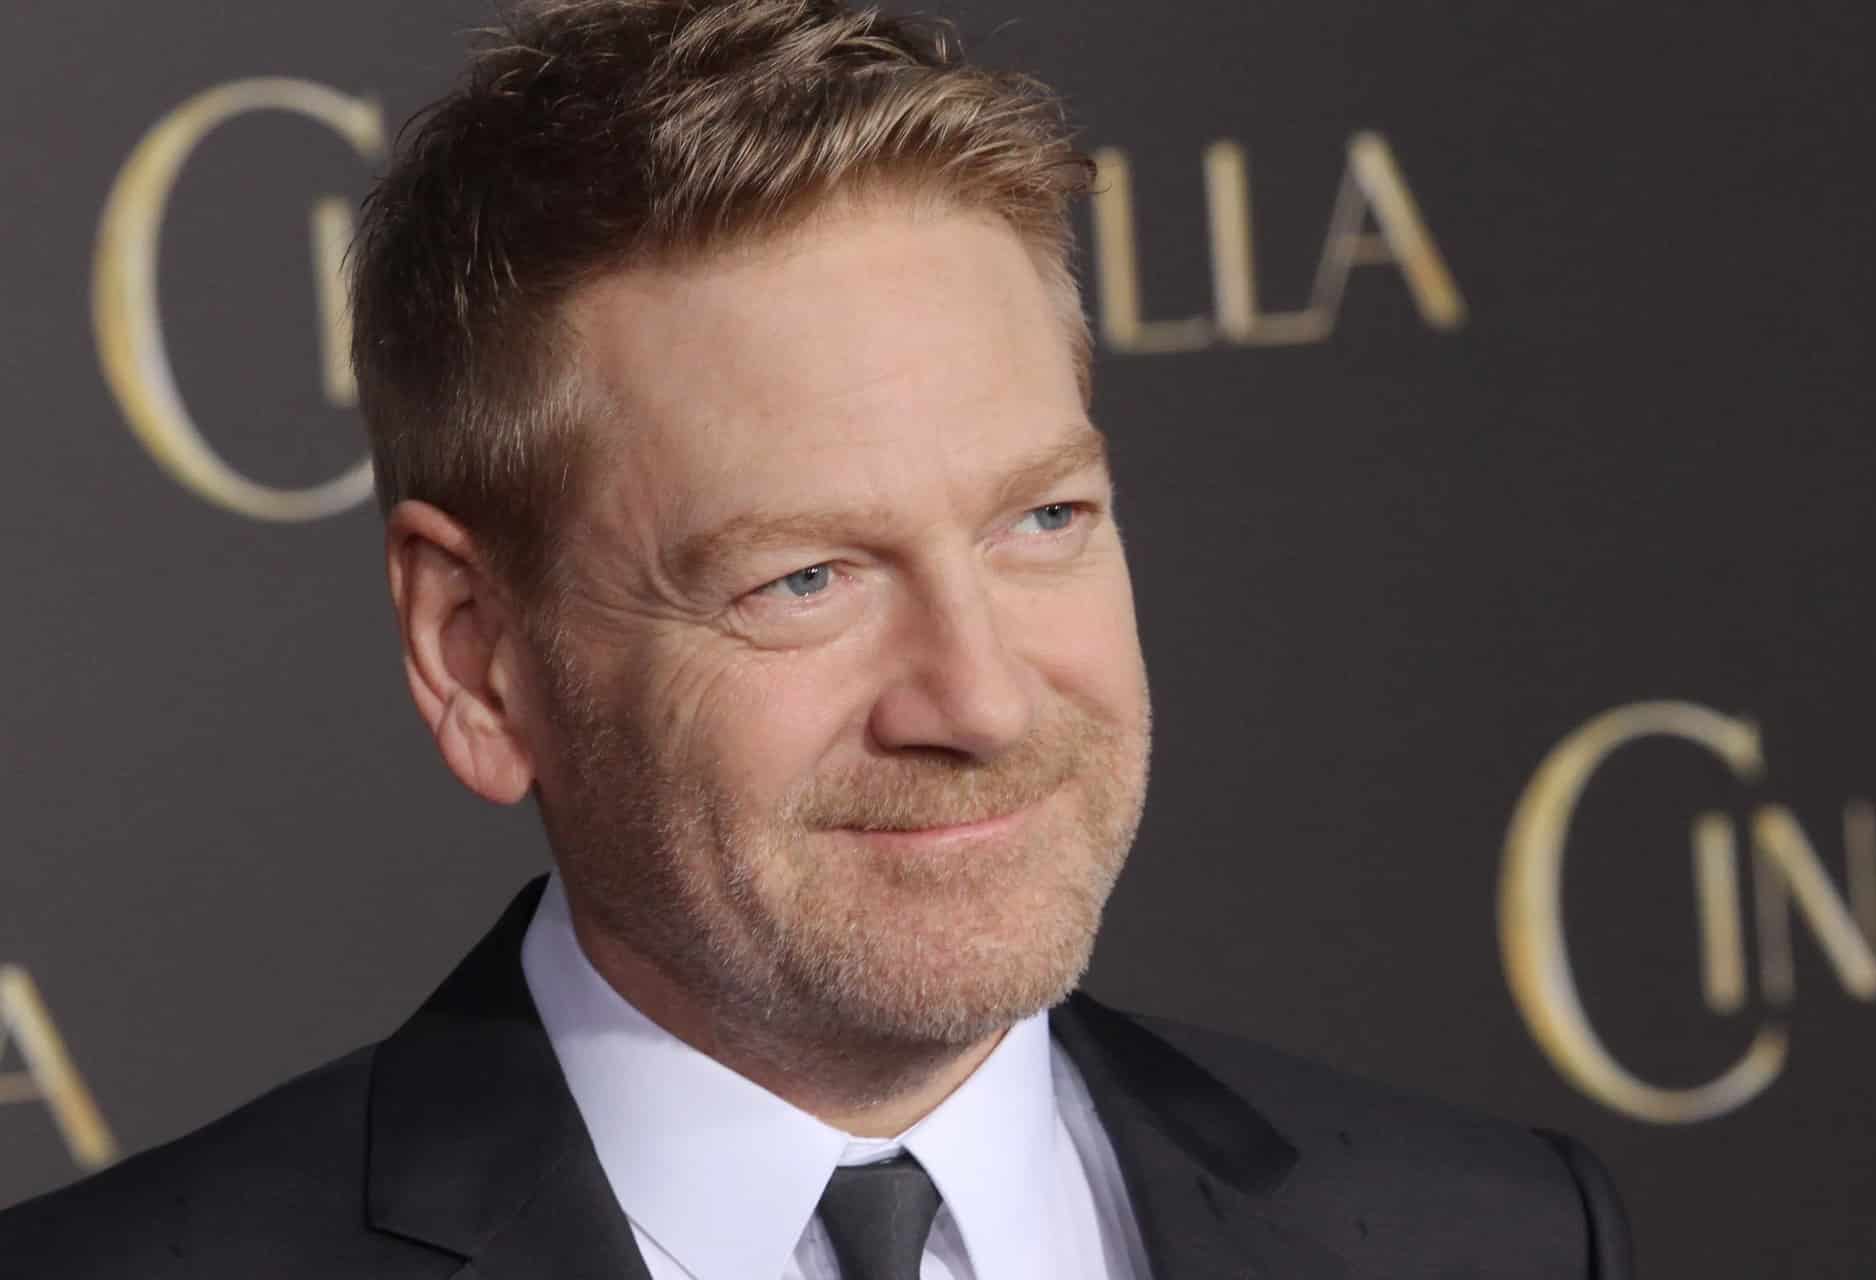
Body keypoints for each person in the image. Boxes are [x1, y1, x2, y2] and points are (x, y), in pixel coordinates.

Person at [0, 1, 1631, 1275]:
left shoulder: (1489, 1236)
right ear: (478, 655)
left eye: (1040, 524)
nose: (979, 699)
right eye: (804, 582)